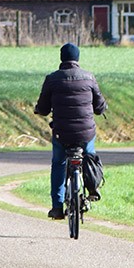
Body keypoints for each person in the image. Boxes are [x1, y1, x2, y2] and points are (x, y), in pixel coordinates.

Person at [34, 42, 107, 220]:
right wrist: (102, 108)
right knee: (90, 155)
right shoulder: (89, 78)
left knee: (58, 164)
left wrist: (39, 110)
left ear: (62, 58)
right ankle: (92, 188)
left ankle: (57, 207)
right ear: (77, 59)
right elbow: (99, 105)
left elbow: (43, 108)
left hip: (62, 133)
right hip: (85, 132)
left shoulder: (52, 79)